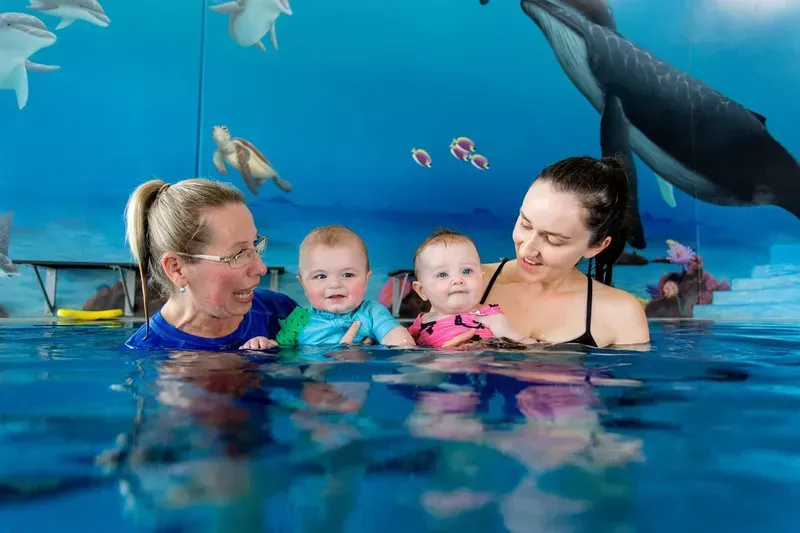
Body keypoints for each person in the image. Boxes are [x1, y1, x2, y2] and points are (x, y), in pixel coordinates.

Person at [452, 155, 650, 349]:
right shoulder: (465, 284)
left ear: (596, 246)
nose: (527, 249)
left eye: (553, 240)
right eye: (525, 224)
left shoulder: (622, 314)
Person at [123, 178, 305, 350]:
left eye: (255, 245)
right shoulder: (149, 358)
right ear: (177, 269)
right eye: (238, 254)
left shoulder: (281, 314)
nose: (261, 268)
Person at [242, 225, 416, 348]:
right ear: (303, 283)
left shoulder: (372, 313)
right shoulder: (299, 319)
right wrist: (263, 343)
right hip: (315, 386)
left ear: (366, 278)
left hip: (351, 390)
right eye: (321, 276)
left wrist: (405, 347)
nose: (334, 284)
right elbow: (281, 349)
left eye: (347, 274)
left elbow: (396, 338)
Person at [407, 228, 539, 348]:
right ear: (421, 291)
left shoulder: (490, 317)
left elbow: (521, 344)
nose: (457, 280)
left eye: (466, 271)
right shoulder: (419, 325)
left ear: (481, 280)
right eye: (442, 274)